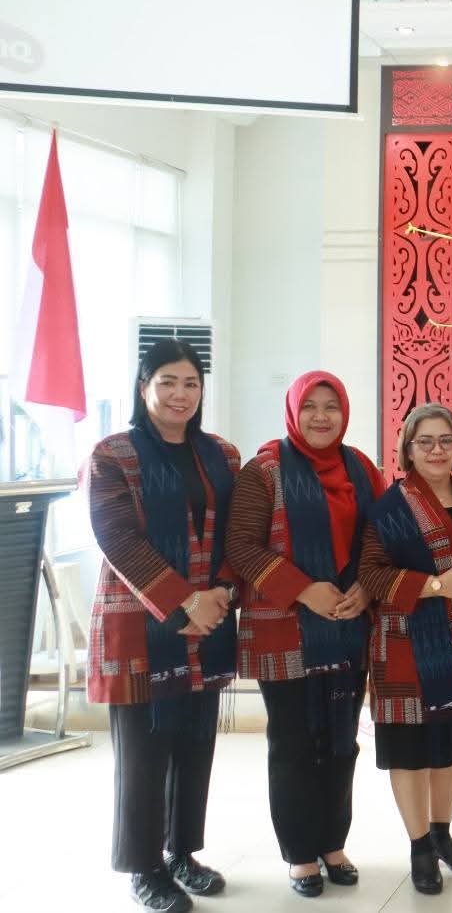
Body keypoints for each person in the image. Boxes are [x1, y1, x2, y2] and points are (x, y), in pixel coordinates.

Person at [87, 339, 240, 913]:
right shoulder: (112, 455)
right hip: (139, 626)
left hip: (210, 619)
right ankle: (143, 868)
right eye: (168, 382)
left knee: (196, 744)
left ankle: (181, 854)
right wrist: (184, 602)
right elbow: (118, 538)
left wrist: (220, 593)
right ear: (143, 386)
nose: (181, 394)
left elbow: (237, 532)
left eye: (191, 383)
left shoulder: (222, 455)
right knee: (144, 752)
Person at [226, 371, 383, 897]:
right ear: (293, 411)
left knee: (341, 739)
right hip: (285, 628)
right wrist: (303, 590)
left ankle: (332, 842)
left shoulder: (361, 468)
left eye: (331, 406)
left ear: (345, 413)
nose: (321, 416)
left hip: (348, 624)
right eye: (310, 406)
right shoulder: (264, 471)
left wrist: (366, 587)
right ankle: (299, 853)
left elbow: (381, 538)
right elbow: (241, 546)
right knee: (294, 742)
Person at [357, 403, 452, 895]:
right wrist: (435, 586)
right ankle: (419, 848)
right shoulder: (391, 506)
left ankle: (442, 835)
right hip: (407, 642)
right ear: (408, 449)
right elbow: (370, 574)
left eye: (447, 440)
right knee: (412, 751)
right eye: (426, 442)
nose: (437, 450)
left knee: (446, 746)